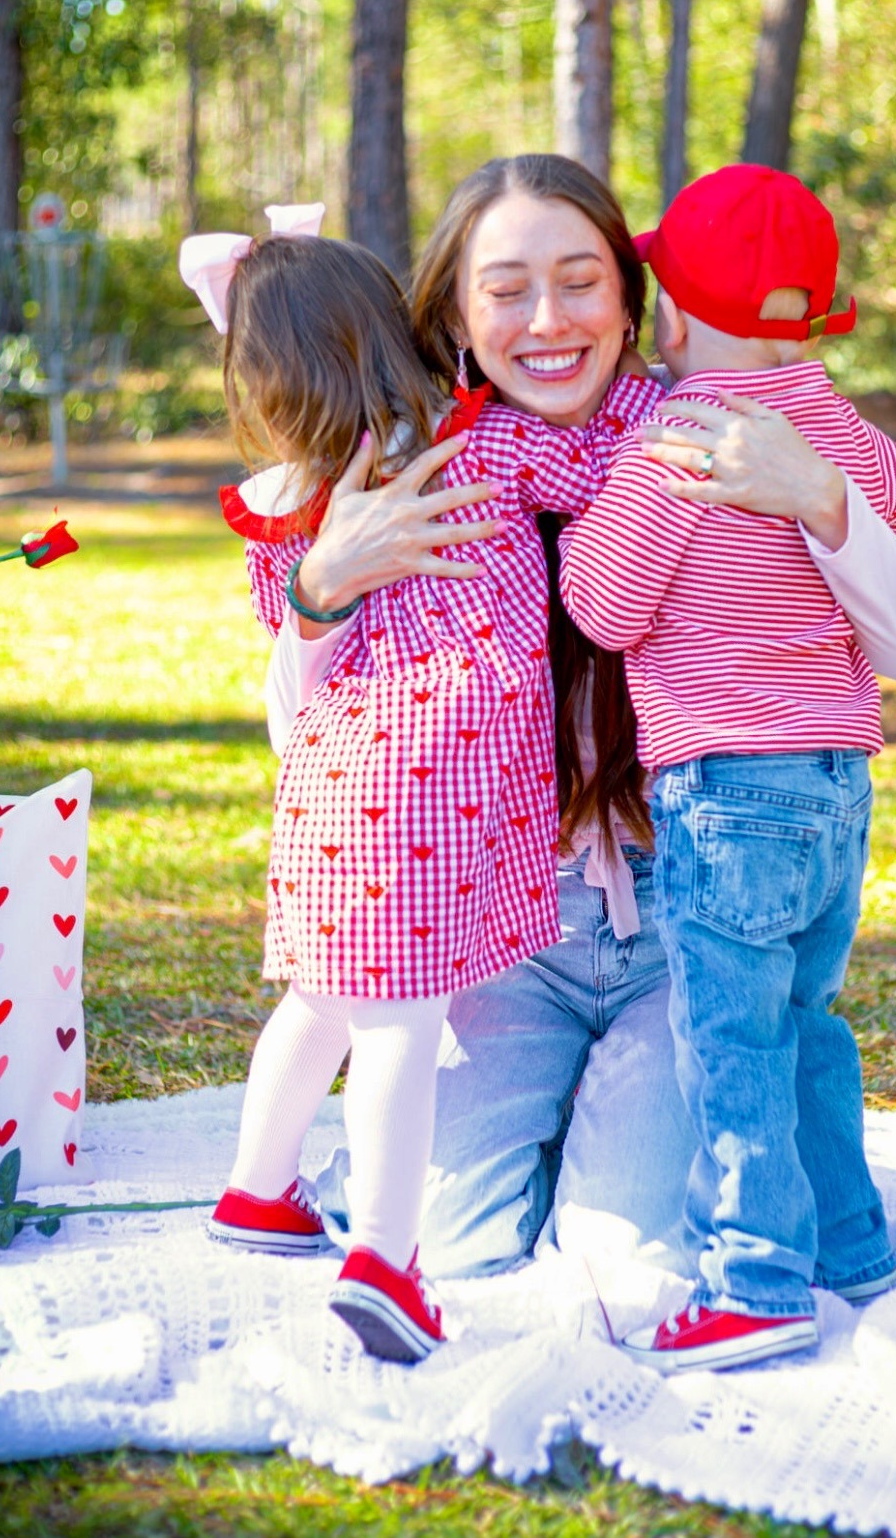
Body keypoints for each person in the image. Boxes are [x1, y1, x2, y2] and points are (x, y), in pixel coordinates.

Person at [260, 158, 896, 1288]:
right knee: (455, 1243)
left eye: (580, 282)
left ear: (635, 304)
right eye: (506, 290)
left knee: (620, 1258)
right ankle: (528, 1120)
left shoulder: (717, 439)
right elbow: (305, 744)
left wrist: (823, 499)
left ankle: (613, 1142)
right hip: (505, 929)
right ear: (456, 317)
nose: (547, 321)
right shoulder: (413, 465)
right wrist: (321, 590)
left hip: (684, 923)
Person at [178, 196, 663, 1363]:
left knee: (322, 1001)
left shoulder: (284, 501)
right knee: (401, 1026)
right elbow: (598, 461)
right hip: (430, 796)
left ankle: (257, 1188)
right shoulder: (474, 445)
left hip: (327, 793)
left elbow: (286, 632)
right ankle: (388, 1263)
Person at [559, 164, 896, 1373]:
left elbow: (605, 607)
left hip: (724, 793)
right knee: (807, 1020)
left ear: (670, 313)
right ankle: (852, 1248)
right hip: (838, 785)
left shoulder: (676, 445)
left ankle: (754, 1281)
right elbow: (895, 525)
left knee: (731, 1043)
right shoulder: (851, 443)